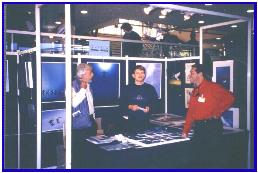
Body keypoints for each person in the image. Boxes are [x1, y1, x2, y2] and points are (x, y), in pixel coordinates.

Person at [182, 63, 235, 168]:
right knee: (198, 158)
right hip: (199, 128)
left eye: (191, 73)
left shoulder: (213, 87)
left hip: (212, 128)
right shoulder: (195, 91)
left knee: (212, 159)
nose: (189, 75)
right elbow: (191, 112)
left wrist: (218, 111)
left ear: (200, 74)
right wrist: (185, 130)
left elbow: (230, 98)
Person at [71, 63, 96, 168]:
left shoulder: (89, 85)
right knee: (79, 154)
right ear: (82, 74)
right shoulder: (72, 85)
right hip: (79, 126)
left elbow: (90, 104)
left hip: (90, 122)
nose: (92, 75)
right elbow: (73, 103)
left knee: (91, 153)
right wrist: (82, 89)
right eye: (90, 73)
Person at [120, 65, 158, 132]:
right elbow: (121, 104)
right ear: (133, 75)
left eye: (142, 72)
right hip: (129, 123)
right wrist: (130, 106)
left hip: (146, 122)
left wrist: (149, 108)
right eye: (137, 73)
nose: (140, 75)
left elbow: (156, 104)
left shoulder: (150, 88)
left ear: (144, 75)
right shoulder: (127, 88)